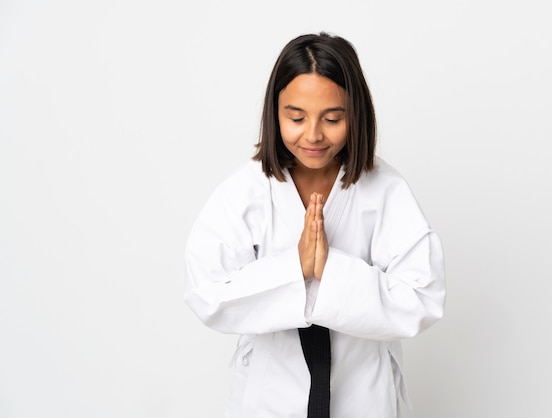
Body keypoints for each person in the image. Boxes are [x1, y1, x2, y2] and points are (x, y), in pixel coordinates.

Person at [184, 32, 446, 418]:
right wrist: (296, 268)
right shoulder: (246, 191)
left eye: (333, 118)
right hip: (269, 395)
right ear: (275, 113)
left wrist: (330, 270)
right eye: (296, 117)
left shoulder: (385, 190)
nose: (313, 135)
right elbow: (205, 291)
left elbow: (423, 297)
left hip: (362, 392)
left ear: (355, 114)